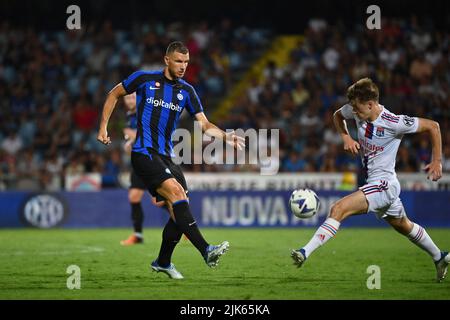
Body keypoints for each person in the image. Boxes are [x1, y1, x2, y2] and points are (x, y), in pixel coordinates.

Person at [97, 41, 245, 279]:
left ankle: (163, 261)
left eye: (186, 62)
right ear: (167, 60)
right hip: (144, 153)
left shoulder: (187, 91)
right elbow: (114, 93)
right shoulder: (144, 79)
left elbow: (205, 125)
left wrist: (225, 136)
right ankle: (206, 250)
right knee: (177, 194)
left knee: (180, 209)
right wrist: (103, 127)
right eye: (178, 61)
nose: (183, 66)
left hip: (168, 157)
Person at [291, 78, 449, 282]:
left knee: (338, 209)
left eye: (357, 109)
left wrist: (436, 161)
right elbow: (338, 116)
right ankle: (440, 257)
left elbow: (433, 127)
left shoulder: (394, 122)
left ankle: (304, 252)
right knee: (403, 225)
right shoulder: (356, 110)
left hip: (384, 184)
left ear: (371, 104)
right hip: (375, 183)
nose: (354, 113)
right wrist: (346, 137)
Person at [120, 92, 163, 246]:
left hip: (151, 161)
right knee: (134, 197)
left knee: (159, 201)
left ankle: (184, 222)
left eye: (133, 97)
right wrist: (129, 142)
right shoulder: (129, 116)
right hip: (139, 163)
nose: (130, 100)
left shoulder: (143, 112)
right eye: (127, 98)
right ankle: (137, 235)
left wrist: (132, 136)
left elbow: (149, 133)